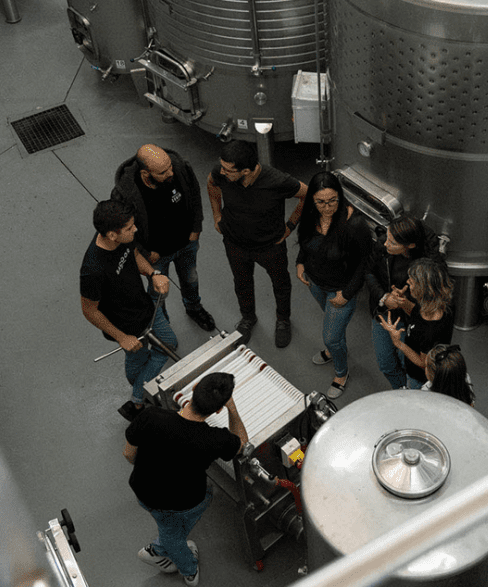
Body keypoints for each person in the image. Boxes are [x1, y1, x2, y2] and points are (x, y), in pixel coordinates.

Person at [123, 372, 248, 586]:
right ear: (218, 409)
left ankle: (161, 547)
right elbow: (242, 443)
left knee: (168, 526)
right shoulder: (215, 439)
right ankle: (187, 569)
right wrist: (232, 409)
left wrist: (155, 468)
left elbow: (128, 454)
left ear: (195, 387)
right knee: (174, 535)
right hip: (182, 502)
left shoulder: (150, 416)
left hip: (143, 489)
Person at [80, 200, 178, 421]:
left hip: (146, 307)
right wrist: (122, 337)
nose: (135, 229)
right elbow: (89, 310)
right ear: (112, 235)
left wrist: (153, 274)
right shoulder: (92, 270)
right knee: (138, 360)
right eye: (129, 228)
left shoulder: (122, 239)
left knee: (169, 343)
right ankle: (139, 398)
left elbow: (134, 255)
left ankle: (137, 396)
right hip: (127, 327)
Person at [206, 140, 308, 347]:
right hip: (235, 243)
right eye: (222, 167)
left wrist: (290, 225)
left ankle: (283, 320)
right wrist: (216, 214)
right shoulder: (221, 172)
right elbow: (211, 183)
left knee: (280, 284)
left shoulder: (277, 181)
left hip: (269, 246)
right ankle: (248, 318)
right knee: (241, 283)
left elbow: (307, 194)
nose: (222, 172)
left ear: (246, 170)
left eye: (228, 170)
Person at [111, 144, 216, 331]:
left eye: (170, 167)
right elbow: (123, 232)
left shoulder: (180, 168)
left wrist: (196, 228)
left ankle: (194, 308)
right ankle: (162, 325)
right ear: (146, 174)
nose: (171, 173)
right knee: (158, 293)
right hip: (155, 256)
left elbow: (195, 196)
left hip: (187, 244)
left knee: (191, 279)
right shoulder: (125, 194)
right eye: (163, 172)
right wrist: (144, 253)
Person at [295, 172, 372, 399]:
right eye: (320, 202)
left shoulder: (354, 224)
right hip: (315, 284)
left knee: (330, 336)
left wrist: (347, 294)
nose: (327, 207)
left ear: (340, 196)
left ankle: (341, 373)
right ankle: (334, 350)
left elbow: (366, 262)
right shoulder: (311, 215)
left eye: (332, 201)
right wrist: (300, 262)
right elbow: (305, 241)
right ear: (312, 200)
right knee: (335, 333)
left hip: (340, 290)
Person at [364, 215, 442, 389]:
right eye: (387, 237)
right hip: (383, 313)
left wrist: (403, 301)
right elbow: (369, 271)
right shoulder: (384, 244)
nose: (385, 244)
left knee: (409, 366)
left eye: (392, 242)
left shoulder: (428, 265)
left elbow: (431, 302)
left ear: (410, 245)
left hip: (409, 322)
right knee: (385, 364)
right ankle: (400, 390)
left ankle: (408, 393)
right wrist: (384, 297)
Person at [378, 258, 455, 389]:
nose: (407, 282)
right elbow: (416, 313)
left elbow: (424, 362)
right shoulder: (435, 302)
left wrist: (398, 343)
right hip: (412, 364)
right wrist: (403, 302)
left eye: (412, 281)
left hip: (419, 378)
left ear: (423, 288)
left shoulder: (431, 330)